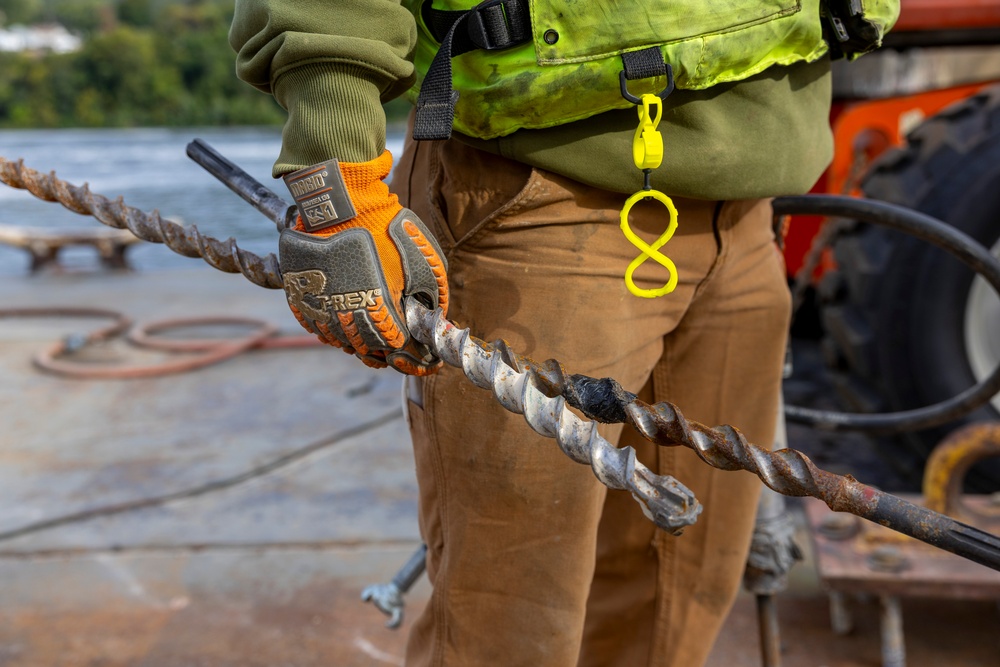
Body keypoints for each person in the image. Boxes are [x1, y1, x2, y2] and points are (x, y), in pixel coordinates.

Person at [229, 1, 898, 665]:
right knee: (508, 628)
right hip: (543, 202)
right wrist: (334, 165)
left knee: (675, 609)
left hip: (750, 209)